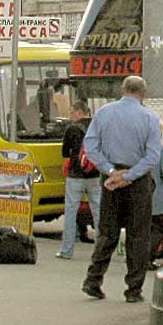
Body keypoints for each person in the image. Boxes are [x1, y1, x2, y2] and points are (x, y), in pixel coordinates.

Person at [81, 75, 163, 303]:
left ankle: (93, 280)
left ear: (122, 90)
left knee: (107, 232)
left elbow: (90, 146)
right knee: (138, 236)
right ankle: (133, 290)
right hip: (137, 182)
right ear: (143, 93)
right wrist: (128, 176)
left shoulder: (104, 113)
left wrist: (111, 171)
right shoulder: (149, 118)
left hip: (110, 180)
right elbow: (152, 157)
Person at [56, 99, 100, 259]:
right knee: (98, 211)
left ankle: (66, 250)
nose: (70, 115)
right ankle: (100, 249)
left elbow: (65, 153)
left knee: (70, 212)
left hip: (75, 176)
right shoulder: (97, 127)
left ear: (79, 112)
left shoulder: (72, 129)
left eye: (71, 112)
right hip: (94, 175)